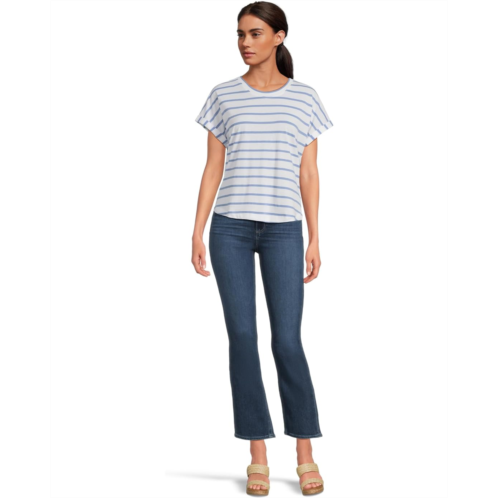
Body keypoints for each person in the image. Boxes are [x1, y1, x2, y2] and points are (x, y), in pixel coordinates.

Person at [191, 2, 333, 495]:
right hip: (229, 228)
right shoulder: (223, 95)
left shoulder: (305, 97)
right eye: (239, 34)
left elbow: (309, 173)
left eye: (254, 33)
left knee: (287, 341)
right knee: (243, 337)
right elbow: (212, 167)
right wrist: (197, 230)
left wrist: (315, 236)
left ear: (279, 36)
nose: (245, 43)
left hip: (284, 231)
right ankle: (257, 454)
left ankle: (305, 452)